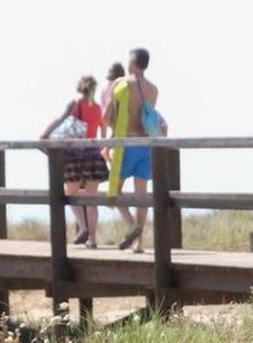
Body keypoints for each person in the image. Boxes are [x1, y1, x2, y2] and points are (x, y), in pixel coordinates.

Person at [103, 47, 164, 253]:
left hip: (126, 145)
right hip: (146, 145)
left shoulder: (122, 84)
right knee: (141, 195)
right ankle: (139, 244)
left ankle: (132, 226)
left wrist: (114, 127)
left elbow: (106, 116)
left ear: (132, 62)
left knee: (113, 192)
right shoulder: (153, 89)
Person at [40, 75, 108, 248]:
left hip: (75, 156)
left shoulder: (75, 104)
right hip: (93, 156)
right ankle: (92, 239)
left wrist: (45, 134)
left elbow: (60, 119)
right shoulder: (99, 109)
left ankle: (83, 227)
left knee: (70, 194)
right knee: (92, 200)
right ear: (94, 89)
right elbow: (104, 135)